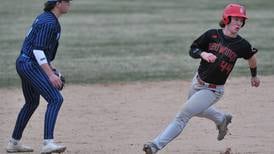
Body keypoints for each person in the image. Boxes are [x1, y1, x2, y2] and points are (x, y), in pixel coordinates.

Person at [143, 3, 260, 154]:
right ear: (227, 18)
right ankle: (221, 118)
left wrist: (254, 75)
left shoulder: (242, 44)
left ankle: (154, 145)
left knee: (183, 115)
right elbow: (193, 49)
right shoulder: (212, 35)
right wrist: (203, 54)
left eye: (241, 20)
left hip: (213, 90)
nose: (239, 23)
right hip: (197, 82)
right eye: (236, 19)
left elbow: (252, 58)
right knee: (197, 111)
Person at [6, 0, 71, 153]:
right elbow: (38, 51)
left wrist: (52, 69)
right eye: (67, 1)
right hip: (29, 64)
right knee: (56, 99)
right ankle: (48, 143)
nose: (69, 4)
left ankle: (14, 143)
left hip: (25, 62)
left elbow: (40, 50)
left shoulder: (46, 18)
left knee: (31, 102)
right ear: (58, 3)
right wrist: (50, 75)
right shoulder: (49, 23)